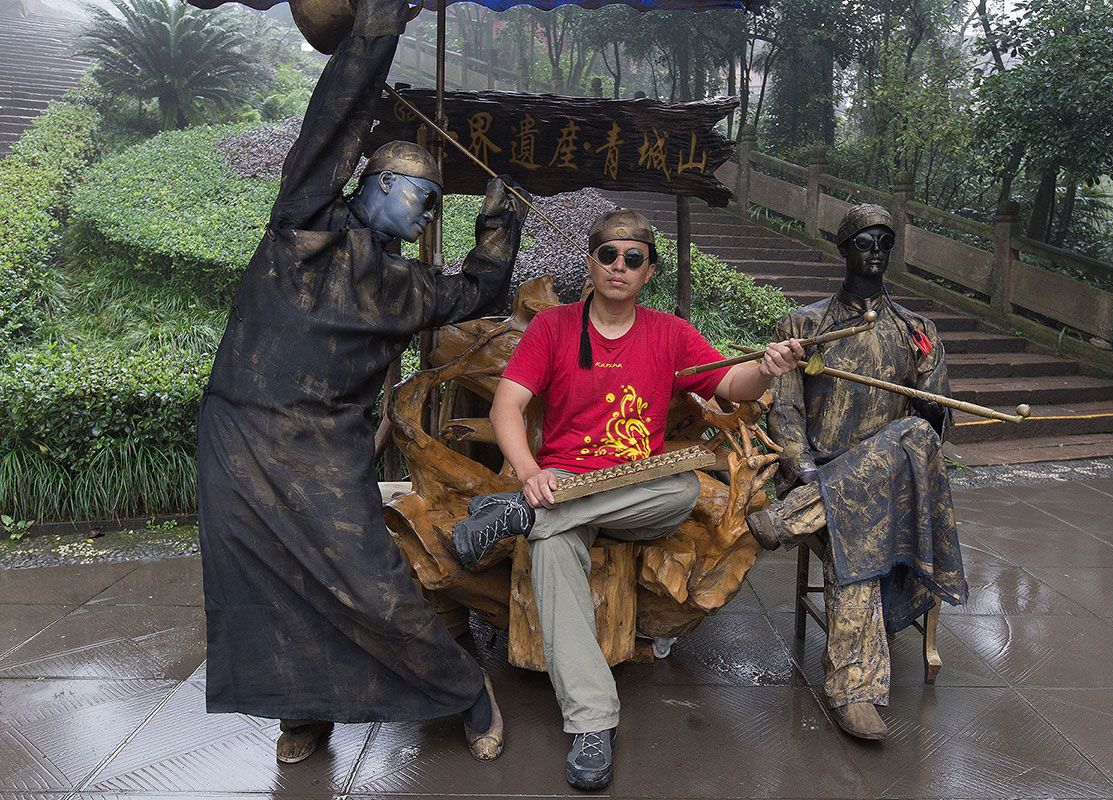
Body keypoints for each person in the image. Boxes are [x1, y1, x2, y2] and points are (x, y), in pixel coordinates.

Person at [196, 0, 529, 766]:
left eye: (436, 207)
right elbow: (334, 120)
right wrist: (379, 30)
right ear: (375, 184)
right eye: (422, 198)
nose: (428, 217)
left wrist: (499, 228)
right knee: (259, 583)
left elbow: (478, 291)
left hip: (328, 450)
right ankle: (302, 712)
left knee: (369, 580)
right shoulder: (305, 225)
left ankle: (465, 690)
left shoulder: (405, 287)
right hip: (240, 434)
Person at [451, 209, 804, 790]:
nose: (619, 266)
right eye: (608, 255)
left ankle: (521, 515)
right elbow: (506, 405)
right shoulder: (554, 327)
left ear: (648, 271)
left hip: (638, 493)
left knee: (682, 486)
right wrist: (529, 472)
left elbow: (730, 384)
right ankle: (593, 723)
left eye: (633, 258)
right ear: (590, 263)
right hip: (564, 487)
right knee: (551, 548)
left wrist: (767, 370)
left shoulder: (670, 333)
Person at [747, 203, 967, 740]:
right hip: (823, 471)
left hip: (892, 484)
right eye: (865, 241)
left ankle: (789, 519)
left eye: (884, 242)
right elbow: (785, 409)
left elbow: (934, 425)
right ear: (844, 248)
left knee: (912, 436)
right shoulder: (805, 326)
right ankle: (855, 691)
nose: (875, 251)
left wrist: (934, 410)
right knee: (859, 523)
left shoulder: (917, 330)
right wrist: (801, 465)